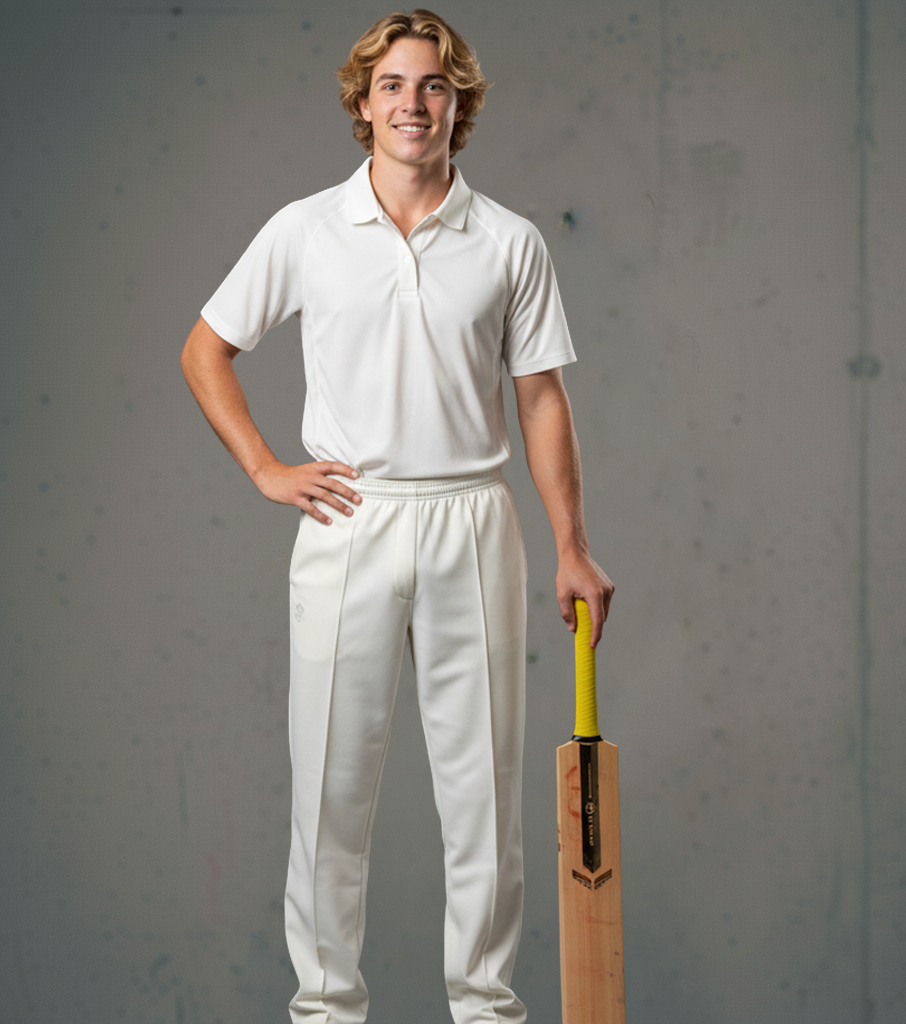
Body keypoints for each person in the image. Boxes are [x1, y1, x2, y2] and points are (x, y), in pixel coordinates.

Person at [180, 9, 613, 1023]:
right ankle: (325, 1010)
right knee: (329, 791)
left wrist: (573, 548)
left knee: (484, 798)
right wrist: (263, 468)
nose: (411, 105)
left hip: (472, 516)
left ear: (458, 104)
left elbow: (541, 397)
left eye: (431, 86)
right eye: (392, 86)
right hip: (349, 521)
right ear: (362, 102)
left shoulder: (509, 240)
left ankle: (486, 1006)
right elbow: (206, 350)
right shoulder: (305, 229)